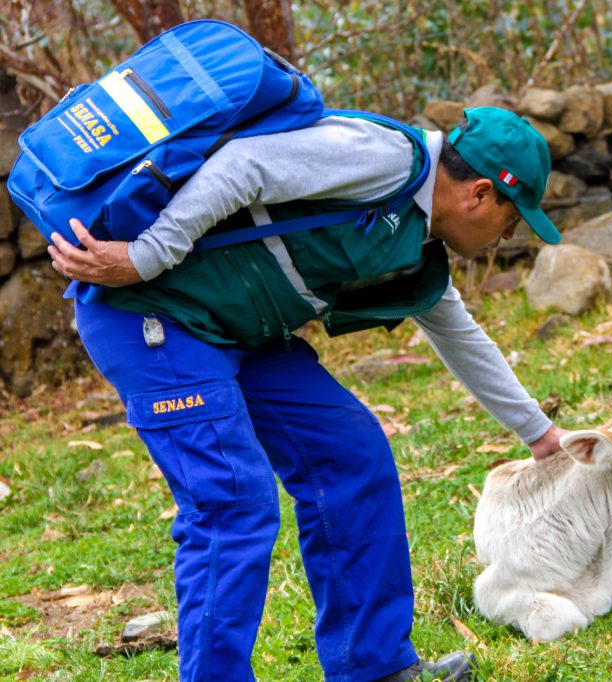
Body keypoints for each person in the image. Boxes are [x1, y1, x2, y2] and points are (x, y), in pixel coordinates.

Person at [47, 106, 567, 682]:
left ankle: (373, 667)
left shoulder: (417, 238)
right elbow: (244, 166)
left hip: (238, 328)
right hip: (152, 313)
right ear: (480, 194)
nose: (506, 238)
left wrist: (540, 435)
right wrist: (147, 255)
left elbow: (458, 333)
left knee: (351, 455)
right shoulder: (383, 157)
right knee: (233, 503)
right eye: (512, 221)